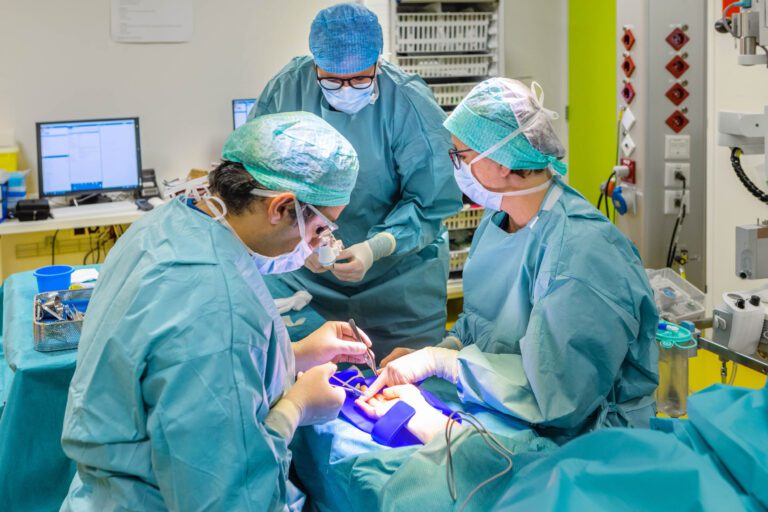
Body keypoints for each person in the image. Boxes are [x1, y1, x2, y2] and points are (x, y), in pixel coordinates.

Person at [60, 112, 374, 511]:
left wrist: (293, 356)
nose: (319, 245)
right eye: (319, 230)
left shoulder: (169, 222)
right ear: (280, 208)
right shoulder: (218, 307)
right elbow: (224, 496)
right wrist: (297, 407)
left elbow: (168, 370)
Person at [362, 78, 660, 443]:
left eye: (461, 156)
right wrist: (444, 350)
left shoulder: (582, 252)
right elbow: (483, 322)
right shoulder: (498, 218)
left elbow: (561, 391)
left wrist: (446, 366)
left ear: (501, 161)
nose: (455, 168)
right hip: (505, 403)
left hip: (582, 437)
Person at [250, 3, 463, 357]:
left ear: (378, 62)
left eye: (361, 79)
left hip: (399, 282)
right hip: (304, 277)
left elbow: (431, 201)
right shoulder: (287, 91)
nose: (346, 90)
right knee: (305, 376)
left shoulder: (406, 102)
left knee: (405, 388)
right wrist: (300, 244)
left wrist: (374, 247)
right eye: (331, 80)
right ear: (315, 63)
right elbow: (259, 178)